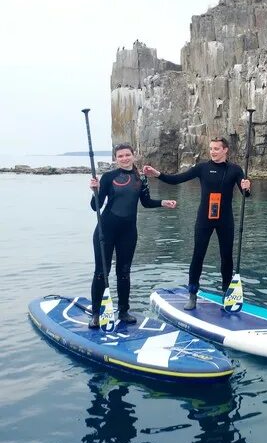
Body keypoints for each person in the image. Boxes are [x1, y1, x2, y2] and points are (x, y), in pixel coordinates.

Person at [143, 137, 251, 310]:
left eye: (216, 148)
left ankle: (227, 293)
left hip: (225, 220)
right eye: (211, 148)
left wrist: (246, 187)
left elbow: (245, 194)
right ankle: (192, 294)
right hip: (204, 219)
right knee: (198, 256)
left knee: (227, 258)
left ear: (225, 150)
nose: (213, 151)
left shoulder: (235, 170)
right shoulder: (203, 168)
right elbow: (177, 179)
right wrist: (157, 174)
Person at [88, 143, 177, 328]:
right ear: (115, 159)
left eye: (127, 155)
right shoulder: (108, 177)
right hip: (106, 230)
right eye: (120, 156)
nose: (124, 158)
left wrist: (163, 203)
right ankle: (96, 313)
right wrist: (94, 191)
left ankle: (123, 311)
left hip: (128, 232)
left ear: (133, 156)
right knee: (101, 273)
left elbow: (145, 202)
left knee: (124, 272)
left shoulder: (141, 178)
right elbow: (95, 206)